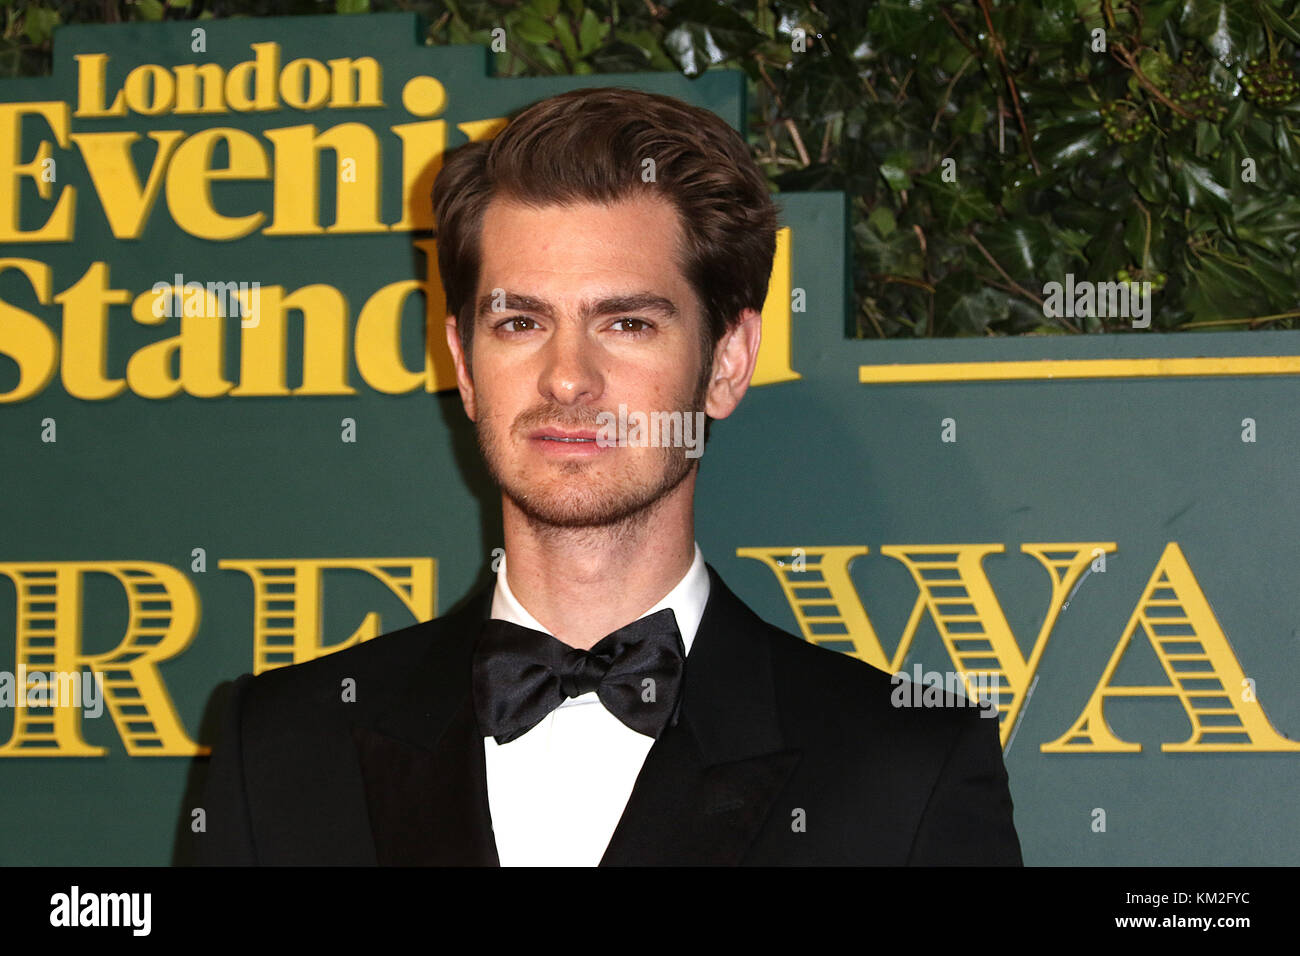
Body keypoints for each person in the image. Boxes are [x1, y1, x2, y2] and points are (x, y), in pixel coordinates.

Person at [195, 87, 1022, 866]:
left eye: (626, 322)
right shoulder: (277, 748)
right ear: (466, 364)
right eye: (520, 322)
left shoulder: (906, 768)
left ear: (728, 362)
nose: (566, 378)